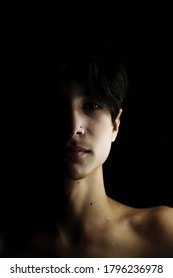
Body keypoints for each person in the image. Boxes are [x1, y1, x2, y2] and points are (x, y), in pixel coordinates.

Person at [1, 29, 173, 258]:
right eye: (54, 107)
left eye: (92, 105)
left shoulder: (163, 234)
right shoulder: (9, 250)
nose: (73, 128)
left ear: (115, 125)